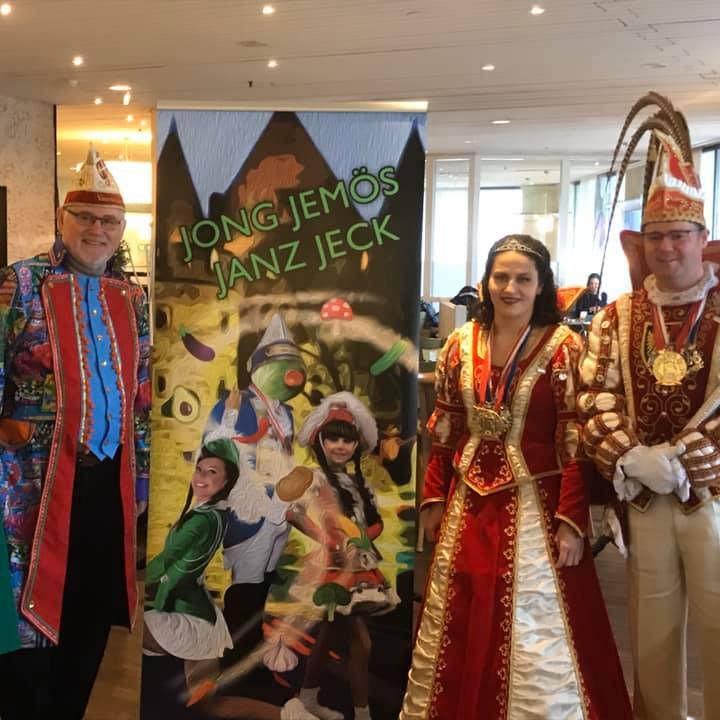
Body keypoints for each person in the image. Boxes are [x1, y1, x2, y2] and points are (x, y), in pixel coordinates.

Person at [401, 235, 632, 719]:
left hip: (538, 504)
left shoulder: (566, 348)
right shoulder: (461, 344)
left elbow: (575, 441)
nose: (510, 288)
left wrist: (572, 520)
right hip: (467, 504)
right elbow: (446, 429)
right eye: (501, 277)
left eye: (523, 279)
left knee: (532, 622)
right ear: (486, 281)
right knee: (458, 614)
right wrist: (433, 498)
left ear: (541, 284)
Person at [578, 92, 720, 720]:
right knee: (652, 628)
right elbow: (592, 393)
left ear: (703, 238)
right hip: (643, 494)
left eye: (679, 236)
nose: (667, 248)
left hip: (715, 495)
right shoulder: (618, 315)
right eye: (657, 236)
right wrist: (630, 456)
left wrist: (686, 459)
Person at [0, 145, 151, 719]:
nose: (96, 230)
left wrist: (140, 480)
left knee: (91, 612)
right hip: (30, 482)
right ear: (62, 220)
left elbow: (140, 393)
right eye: (84, 217)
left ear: (121, 229)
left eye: (109, 220)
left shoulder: (130, 297)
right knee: (30, 619)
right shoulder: (21, 283)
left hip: (106, 484)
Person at [275, 392, 400, 720]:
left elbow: (375, 522)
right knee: (361, 642)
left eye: (347, 440)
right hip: (333, 568)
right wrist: (329, 540)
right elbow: (293, 513)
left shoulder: (359, 481)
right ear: (321, 441)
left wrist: (361, 538)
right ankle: (362, 713)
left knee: (328, 635)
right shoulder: (314, 477)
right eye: (333, 439)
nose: (341, 446)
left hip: (360, 566)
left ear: (357, 444)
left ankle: (308, 698)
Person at [143, 439, 238, 689]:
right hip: (197, 612)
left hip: (187, 616)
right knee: (204, 699)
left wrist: (140, 586)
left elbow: (167, 561)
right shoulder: (213, 512)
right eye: (199, 469)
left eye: (212, 472)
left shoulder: (202, 520)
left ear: (226, 481)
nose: (202, 477)